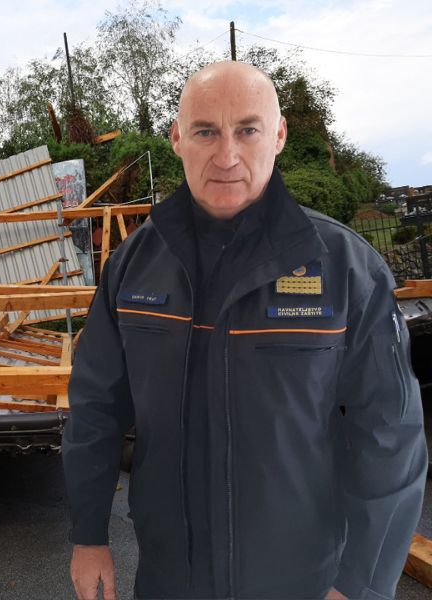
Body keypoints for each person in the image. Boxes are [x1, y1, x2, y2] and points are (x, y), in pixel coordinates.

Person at [62, 61, 426, 600]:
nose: (226, 156)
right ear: (178, 139)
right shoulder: (134, 266)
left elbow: (391, 436)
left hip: (302, 582)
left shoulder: (347, 271)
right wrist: (88, 535)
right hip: (169, 580)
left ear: (277, 136)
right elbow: (94, 407)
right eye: (206, 131)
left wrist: (362, 585)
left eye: (247, 130)